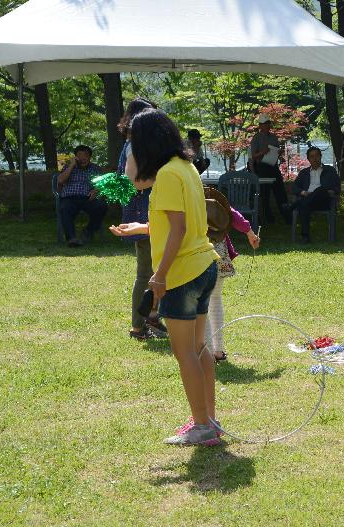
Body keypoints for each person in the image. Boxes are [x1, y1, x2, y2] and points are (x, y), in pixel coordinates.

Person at [109, 108, 222, 446]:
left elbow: (179, 229)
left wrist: (159, 275)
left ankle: (203, 427)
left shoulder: (169, 175)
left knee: (183, 350)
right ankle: (207, 420)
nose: (133, 151)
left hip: (183, 273)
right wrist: (143, 226)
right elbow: (182, 223)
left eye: (134, 143)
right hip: (203, 266)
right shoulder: (185, 168)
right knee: (198, 347)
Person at [116, 97, 167, 341]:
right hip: (144, 215)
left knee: (156, 269)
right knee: (146, 272)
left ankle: (153, 318)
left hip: (149, 214)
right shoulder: (133, 145)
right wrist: (164, 177)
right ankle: (138, 326)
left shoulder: (136, 143)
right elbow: (132, 182)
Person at [205, 189, 261, 362]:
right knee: (214, 299)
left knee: (202, 303)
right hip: (218, 252)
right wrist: (250, 232)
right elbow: (233, 215)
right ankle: (217, 351)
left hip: (197, 252)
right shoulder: (212, 201)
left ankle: (208, 352)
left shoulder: (186, 199)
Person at [56, 144, 106, 247]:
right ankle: (72, 239)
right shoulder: (68, 167)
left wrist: (96, 190)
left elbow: (103, 184)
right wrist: (71, 166)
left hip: (88, 198)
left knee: (102, 207)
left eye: (86, 156)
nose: (83, 159)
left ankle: (88, 231)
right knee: (65, 208)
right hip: (69, 198)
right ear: (76, 157)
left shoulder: (95, 168)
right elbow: (60, 180)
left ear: (89, 157)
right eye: (80, 156)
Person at [291, 147, 341, 243]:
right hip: (307, 201)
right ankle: (306, 237)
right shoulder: (304, 173)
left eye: (317, 156)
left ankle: (293, 206)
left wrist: (332, 191)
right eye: (312, 156)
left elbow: (337, 187)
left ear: (320, 157)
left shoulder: (330, 170)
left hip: (323, 200)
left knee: (320, 189)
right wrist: (304, 192)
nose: (315, 158)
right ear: (308, 159)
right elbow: (294, 188)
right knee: (304, 205)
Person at [250, 113, 289, 225]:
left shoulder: (273, 137)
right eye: (264, 124)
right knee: (265, 193)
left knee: (280, 190)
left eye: (268, 124)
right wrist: (263, 152)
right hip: (262, 166)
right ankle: (268, 218)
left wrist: (279, 152)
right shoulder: (256, 138)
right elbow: (253, 156)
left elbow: (276, 153)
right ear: (260, 125)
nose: (267, 126)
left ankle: (286, 215)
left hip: (272, 165)